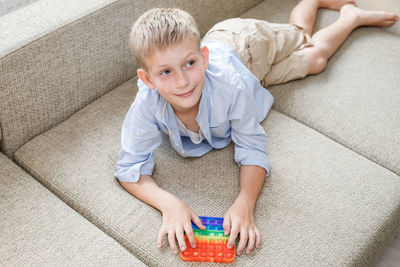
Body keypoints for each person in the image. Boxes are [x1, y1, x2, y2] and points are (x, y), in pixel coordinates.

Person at [115, 0, 398, 256]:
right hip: (246, 77)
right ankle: (351, 15)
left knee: (301, 36)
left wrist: (245, 202)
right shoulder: (147, 104)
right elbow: (130, 168)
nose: (182, 82)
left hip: (245, 44)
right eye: (165, 72)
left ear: (203, 58)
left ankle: (333, 9)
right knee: (315, 61)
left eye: (190, 63)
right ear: (147, 79)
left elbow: (252, 146)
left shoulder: (229, 88)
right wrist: (169, 204)